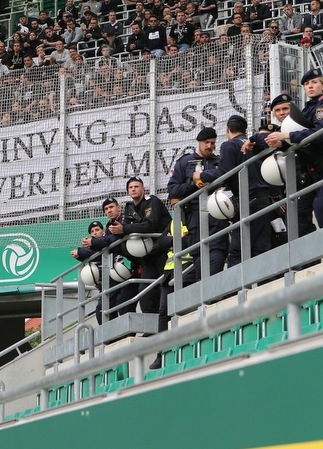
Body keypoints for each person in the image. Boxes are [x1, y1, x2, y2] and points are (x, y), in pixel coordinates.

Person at [266, 68, 323, 230]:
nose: (310, 86)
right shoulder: (307, 110)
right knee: (318, 210)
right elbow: (301, 138)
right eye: (306, 84)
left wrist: (286, 136)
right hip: (316, 171)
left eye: (314, 82)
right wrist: (281, 144)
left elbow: (320, 133)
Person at [197, 116, 274, 271]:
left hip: (248, 202)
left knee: (237, 252)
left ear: (227, 130)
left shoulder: (229, 145)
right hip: (264, 200)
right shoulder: (252, 143)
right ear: (245, 131)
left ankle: (235, 291)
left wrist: (202, 176)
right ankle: (265, 286)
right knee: (262, 248)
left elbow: (226, 174)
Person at [167, 127, 229, 280]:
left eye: (212, 143)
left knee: (217, 253)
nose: (209, 146)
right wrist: (193, 184)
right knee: (199, 255)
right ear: (199, 142)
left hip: (218, 214)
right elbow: (173, 190)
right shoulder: (185, 162)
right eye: (206, 142)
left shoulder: (219, 162)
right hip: (194, 216)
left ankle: (214, 292)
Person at [107, 177, 171, 315]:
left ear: (143, 189)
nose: (134, 189)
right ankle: (150, 326)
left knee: (165, 286)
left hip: (163, 251)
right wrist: (118, 232)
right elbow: (129, 230)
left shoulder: (152, 201)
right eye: (131, 187)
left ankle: (168, 320)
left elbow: (150, 225)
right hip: (147, 256)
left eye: (137, 186)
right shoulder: (129, 208)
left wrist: (124, 229)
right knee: (145, 291)